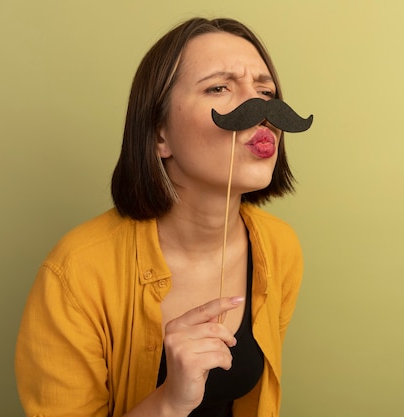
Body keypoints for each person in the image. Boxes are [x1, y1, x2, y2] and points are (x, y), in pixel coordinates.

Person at [15, 17, 311, 417]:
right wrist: (170, 401)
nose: (262, 111)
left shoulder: (279, 248)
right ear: (159, 135)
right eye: (219, 87)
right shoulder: (75, 273)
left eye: (265, 90)